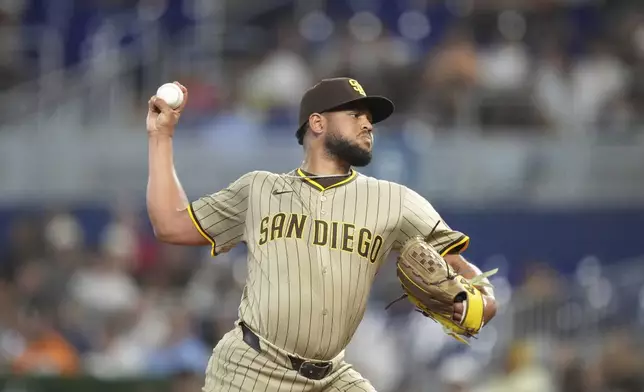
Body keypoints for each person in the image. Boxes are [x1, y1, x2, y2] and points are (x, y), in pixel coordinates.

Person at [145, 77, 497, 391]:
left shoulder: (396, 201)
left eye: (369, 118)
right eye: (355, 114)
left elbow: (469, 277)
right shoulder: (259, 189)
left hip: (331, 377)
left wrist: (473, 304)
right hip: (250, 368)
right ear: (317, 122)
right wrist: (162, 136)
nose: (368, 124)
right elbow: (170, 225)